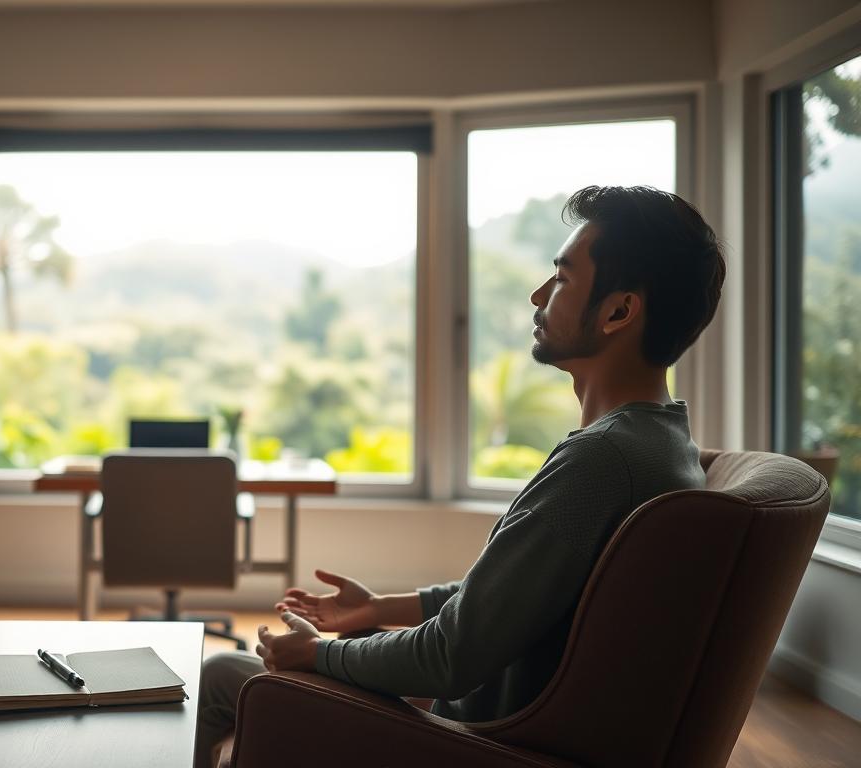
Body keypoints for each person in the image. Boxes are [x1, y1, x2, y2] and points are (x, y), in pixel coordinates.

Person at [194, 185, 727, 768]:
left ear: (619, 311)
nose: (539, 295)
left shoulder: (602, 463)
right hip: (498, 718)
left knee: (223, 675)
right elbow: (509, 601)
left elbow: (451, 656)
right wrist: (375, 611)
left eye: (564, 278)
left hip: (473, 741)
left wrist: (316, 655)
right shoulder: (661, 441)